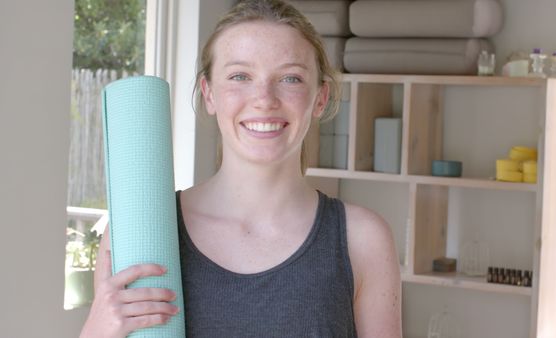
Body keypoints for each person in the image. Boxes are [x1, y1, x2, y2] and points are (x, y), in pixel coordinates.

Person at [80, 0, 401, 336]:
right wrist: (97, 330)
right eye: (240, 76)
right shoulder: (143, 233)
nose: (264, 98)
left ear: (320, 98)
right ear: (209, 94)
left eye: (290, 78)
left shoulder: (363, 240)